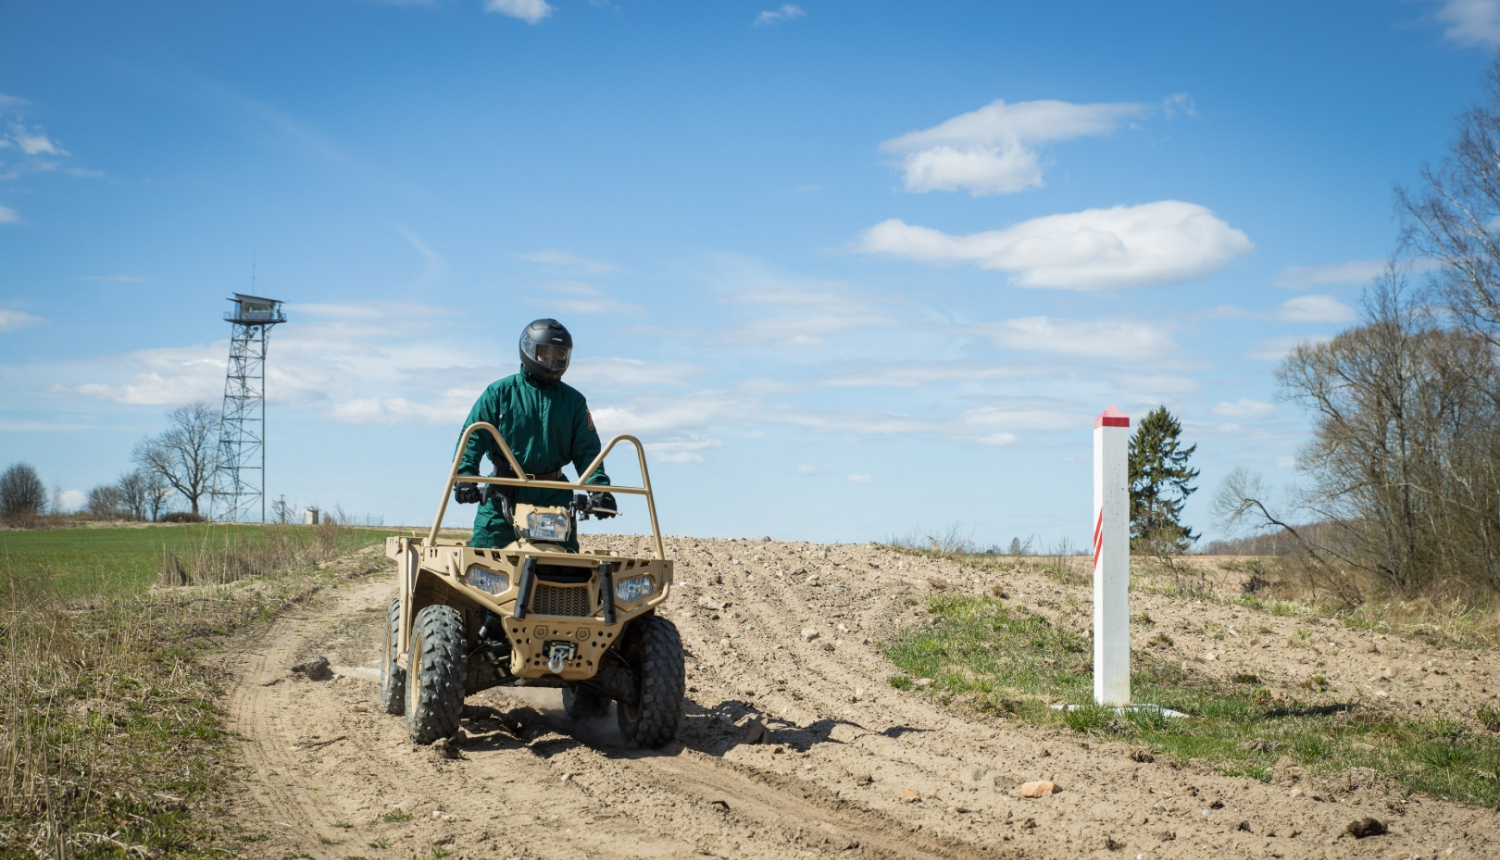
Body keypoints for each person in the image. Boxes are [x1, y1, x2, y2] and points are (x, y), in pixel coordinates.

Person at [451, 318, 615, 551]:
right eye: (546, 354)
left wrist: (599, 489)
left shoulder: (574, 401)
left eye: (559, 355)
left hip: (555, 495)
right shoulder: (499, 393)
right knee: (481, 560)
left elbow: (587, 451)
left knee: (567, 566)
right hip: (503, 491)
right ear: (528, 351)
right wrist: (465, 477)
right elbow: (473, 438)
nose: (553, 361)